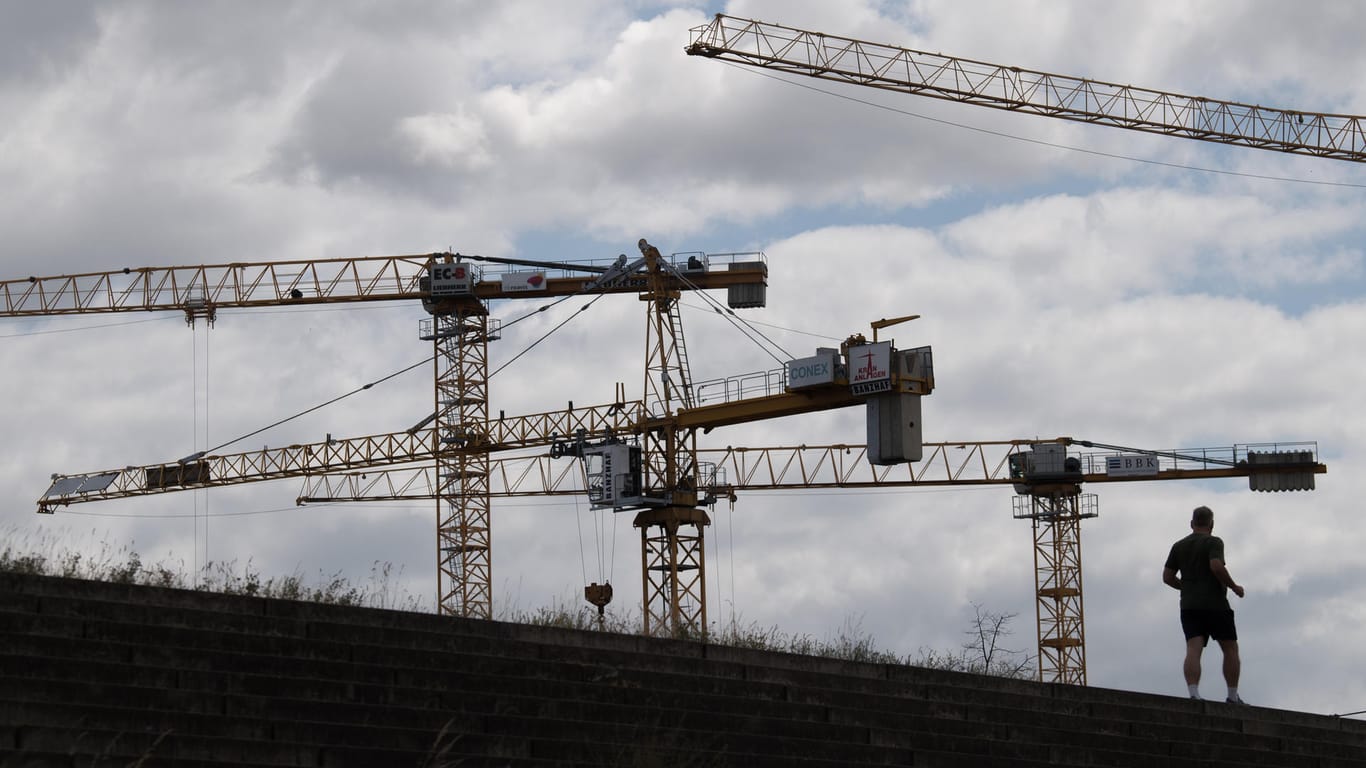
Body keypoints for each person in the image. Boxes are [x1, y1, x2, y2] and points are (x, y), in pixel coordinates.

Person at [1162, 505, 1246, 703]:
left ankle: (1193, 693)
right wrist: (1234, 587)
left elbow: (1167, 577)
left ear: (1192, 523)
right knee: (1230, 648)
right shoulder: (1213, 542)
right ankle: (1232, 696)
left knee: (1193, 648)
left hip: (1190, 605)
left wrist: (1186, 587)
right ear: (1212, 524)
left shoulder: (1179, 545)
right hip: (1216, 604)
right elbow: (1216, 566)